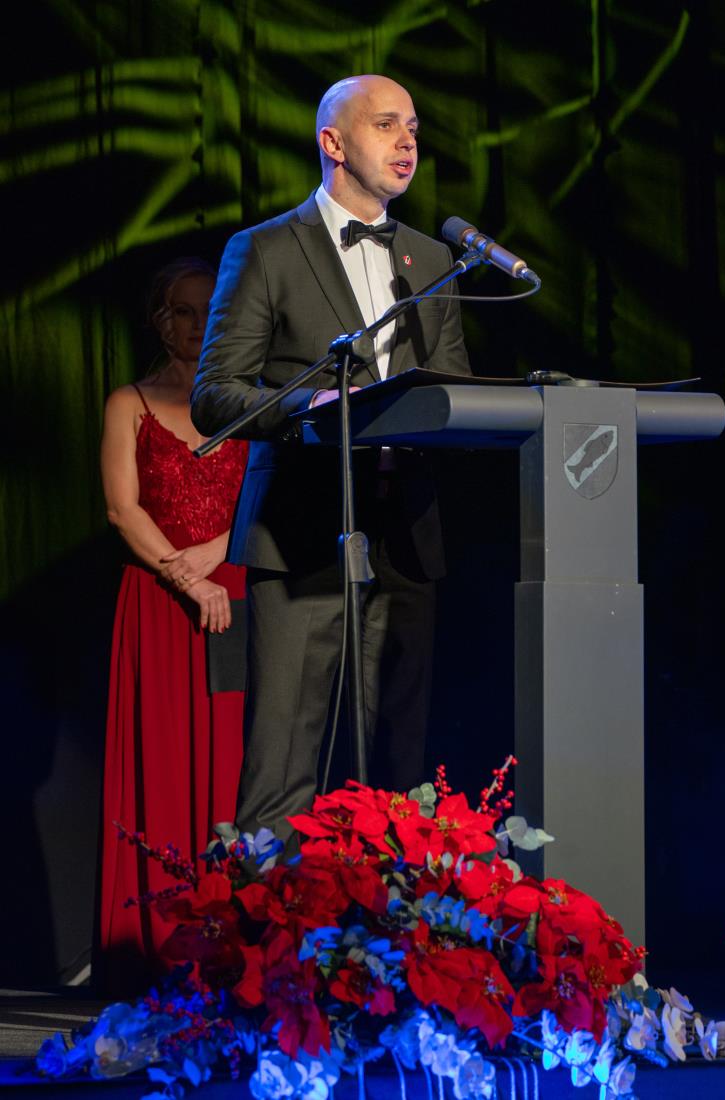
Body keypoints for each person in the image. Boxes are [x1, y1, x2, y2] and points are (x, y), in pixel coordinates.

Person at [191, 75, 471, 856]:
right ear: (333, 142)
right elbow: (216, 394)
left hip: (406, 536)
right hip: (301, 532)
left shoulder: (433, 258)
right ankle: (264, 924)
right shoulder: (266, 249)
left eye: (414, 127)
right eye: (386, 125)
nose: (408, 141)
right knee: (283, 763)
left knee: (399, 773)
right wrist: (311, 406)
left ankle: (392, 926)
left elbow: (453, 390)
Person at [97, 258, 249, 994]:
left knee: (234, 765)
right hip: (159, 602)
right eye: (184, 311)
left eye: (209, 311)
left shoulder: (248, 399)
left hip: (236, 597)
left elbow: (268, 494)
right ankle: (155, 946)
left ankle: (232, 947)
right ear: (160, 321)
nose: (197, 324)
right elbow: (122, 509)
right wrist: (188, 577)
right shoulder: (129, 402)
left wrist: (217, 557)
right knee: (160, 762)